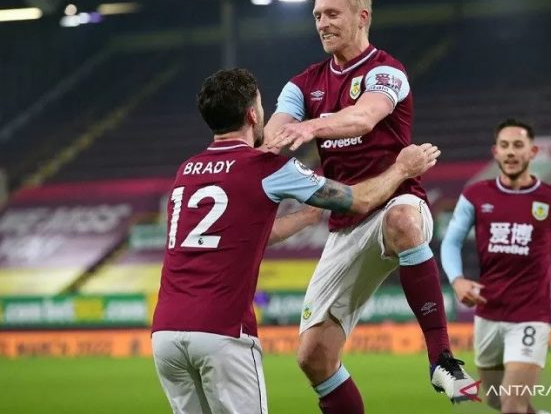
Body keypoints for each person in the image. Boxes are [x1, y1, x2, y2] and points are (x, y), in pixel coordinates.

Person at [151, 68, 441, 414]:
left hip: (166, 335)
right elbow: (360, 201)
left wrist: (303, 218)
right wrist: (402, 170)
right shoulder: (264, 167)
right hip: (222, 332)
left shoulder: (186, 171)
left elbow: (242, 236)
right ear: (253, 114)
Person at [263, 0, 475, 411]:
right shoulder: (303, 83)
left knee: (402, 218)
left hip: (395, 198)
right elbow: (276, 129)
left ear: (362, 17)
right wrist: (282, 133)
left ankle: (441, 358)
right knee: (313, 358)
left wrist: (311, 126)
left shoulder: (388, 71)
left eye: (332, 14)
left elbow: (364, 117)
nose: (322, 23)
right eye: (317, 15)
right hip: (345, 223)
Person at [440, 118, 551, 414]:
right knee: (497, 399)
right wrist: (457, 279)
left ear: (533, 152)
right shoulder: (475, 195)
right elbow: (451, 241)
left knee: (512, 404)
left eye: (518, 146)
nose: (511, 152)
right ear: (495, 152)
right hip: (488, 311)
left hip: (531, 315)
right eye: (505, 146)